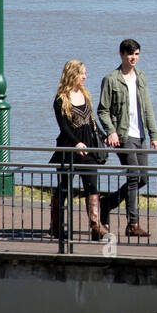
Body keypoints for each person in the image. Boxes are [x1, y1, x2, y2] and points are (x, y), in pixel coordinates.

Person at [97, 39, 157, 237]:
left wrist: (154, 134)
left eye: (137, 54)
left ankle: (106, 203)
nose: (133, 58)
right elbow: (102, 110)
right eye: (130, 54)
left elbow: (147, 107)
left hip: (140, 135)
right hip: (123, 135)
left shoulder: (141, 77)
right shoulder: (111, 79)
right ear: (121, 54)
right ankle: (132, 224)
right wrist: (111, 131)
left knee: (143, 179)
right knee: (133, 177)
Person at [51, 60, 110, 241]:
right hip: (69, 148)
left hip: (89, 147)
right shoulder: (61, 99)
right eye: (82, 73)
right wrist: (76, 143)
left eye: (85, 73)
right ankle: (57, 225)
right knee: (65, 187)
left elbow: (91, 121)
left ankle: (95, 226)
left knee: (92, 185)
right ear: (72, 74)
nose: (85, 77)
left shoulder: (85, 94)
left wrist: (104, 135)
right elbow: (64, 127)